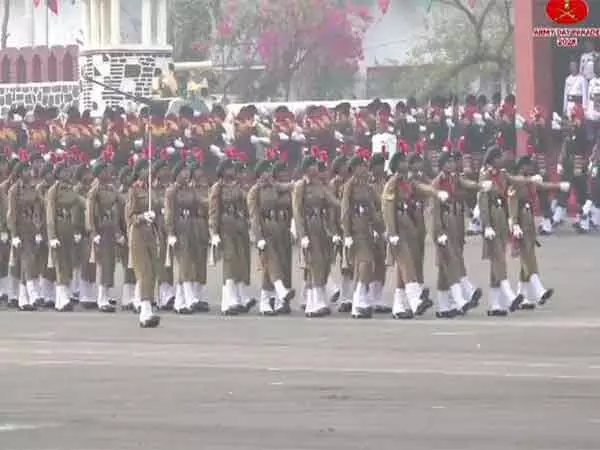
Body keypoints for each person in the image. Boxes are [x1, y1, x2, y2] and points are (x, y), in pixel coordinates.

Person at [381, 151, 441, 319]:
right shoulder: (392, 184)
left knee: (403, 269)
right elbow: (387, 208)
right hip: (397, 229)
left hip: (408, 228)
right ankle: (415, 300)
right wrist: (391, 232)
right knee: (407, 264)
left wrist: (436, 193)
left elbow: (422, 188)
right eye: (402, 162)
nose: (405, 164)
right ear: (396, 165)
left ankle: (399, 305)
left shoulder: (407, 182)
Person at [508, 156, 570, 309]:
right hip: (520, 225)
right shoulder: (516, 184)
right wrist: (514, 224)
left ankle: (522, 297)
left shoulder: (530, 181)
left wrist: (559, 186)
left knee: (526, 261)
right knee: (528, 260)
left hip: (529, 225)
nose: (530, 168)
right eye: (528, 166)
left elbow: (543, 186)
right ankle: (539, 291)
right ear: (521, 167)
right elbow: (512, 204)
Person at [430, 151, 485, 317]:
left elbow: (467, 184)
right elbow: (435, 210)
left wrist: (481, 185)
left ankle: (445, 306)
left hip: (456, 221)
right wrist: (438, 232)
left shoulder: (454, 179)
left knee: (447, 265)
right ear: (442, 165)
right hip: (444, 223)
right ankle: (462, 295)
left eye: (453, 162)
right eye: (448, 162)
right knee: (450, 261)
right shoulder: (437, 183)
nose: (452, 164)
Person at [479, 146, 532, 316]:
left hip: (501, 219)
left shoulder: (502, 174)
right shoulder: (485, 175)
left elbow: (515, 181)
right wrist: (486, 225)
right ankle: (509, 296)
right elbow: (483, 202)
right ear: (493, 159)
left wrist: (531, 180)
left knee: (498, 260)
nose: (503, 159)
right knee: (498, 259)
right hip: (492, 221)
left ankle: (496, 304)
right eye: (500, 157)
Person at [292, 155, 339, 318]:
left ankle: (316, 301)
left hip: (321, 228)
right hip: (309, 228)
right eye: (312, 166)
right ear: (306, 168)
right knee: (314, 264)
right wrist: (302, 235)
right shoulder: (301, 186)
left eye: (316, 166)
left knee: (323, 263)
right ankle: (314, 303)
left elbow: (332, 202)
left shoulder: (321, 186)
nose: (315, 169)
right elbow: (297, 212)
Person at [247, 159, 295, 315]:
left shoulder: (275, 186)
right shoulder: (255, 191)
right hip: (265, 230)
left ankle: (266, 302)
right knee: (272, 262)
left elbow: (287, 186)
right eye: (265, 171)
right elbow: (254, 216)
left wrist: (298, 183)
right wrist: (258, 237)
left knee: (273, 266)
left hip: (279, 230)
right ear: (259, 174)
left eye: (269, 171)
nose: (268, 174)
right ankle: (280, 292)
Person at [209, 158, 254, 315]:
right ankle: (228, 301)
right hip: (225, 227)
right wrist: (214, 233)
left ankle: (238, 298)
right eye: (228, 169)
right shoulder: (218, 188)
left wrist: (247, 220)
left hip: (239, 226)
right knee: (229, 261)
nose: (231, 171)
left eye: (232, 169)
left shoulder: (238, 187)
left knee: (240, 260)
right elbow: (214, 211)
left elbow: (245, 204)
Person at [341, 156, 382, 319]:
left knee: (365, 266)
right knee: (364, 263)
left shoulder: (368, 187)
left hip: (367, 230)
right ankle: (359, 299)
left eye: (365, 166)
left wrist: (381, 228)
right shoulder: (349, 186)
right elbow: (344, 211)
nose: (364, 169)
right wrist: (347, 234)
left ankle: (360, 301)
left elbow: (376, 208)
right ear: (354, 168)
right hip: (356, 231)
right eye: (361, 166)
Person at [125, 158, 161, 328]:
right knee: (144, 271)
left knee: (153, 271)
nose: (149, 172)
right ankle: (145, 312)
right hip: (138, 234)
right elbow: (130, 216)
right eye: (146, 170)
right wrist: (141, 217)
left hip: (151, 233)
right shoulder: (134, 191)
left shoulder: (151, 191)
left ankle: (146, 306)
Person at [85, 151, 122, 313]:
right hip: (100, 230)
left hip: (110, 230)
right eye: (105, 171)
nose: (108, 173)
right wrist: (93, 232)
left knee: (110, 265)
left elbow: (121, 202)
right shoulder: (95, 190)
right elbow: (89, 212)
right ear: (99, 174)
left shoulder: (112, 188)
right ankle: (101, 298)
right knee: (103, 265)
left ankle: (106, 295)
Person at [7, 153, 44, 311]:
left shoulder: (34, 189)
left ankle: (23, 300)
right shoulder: (14, 190)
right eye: (26, 170)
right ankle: (33, 294)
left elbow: (41, 207)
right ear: (20, 173)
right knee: (27, 261)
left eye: (30, 170)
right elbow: (11, 214)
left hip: (32, 230)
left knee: (27, 264)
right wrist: (13, 234)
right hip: (20, 231)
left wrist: (38, 228)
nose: (29, 173)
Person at [45, 160, 81, 311]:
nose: (67, 174)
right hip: (58, 229)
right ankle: (62, 299)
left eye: (68, 171)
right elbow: (50, 214)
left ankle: (61, 300)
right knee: (60, 265)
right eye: (64, 171)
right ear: (58, 174)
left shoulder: (71, 189)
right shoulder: (54, 190)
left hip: (69, 230)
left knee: (68, 264)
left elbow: (79, 204)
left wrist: (77, 230)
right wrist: (52, 236)